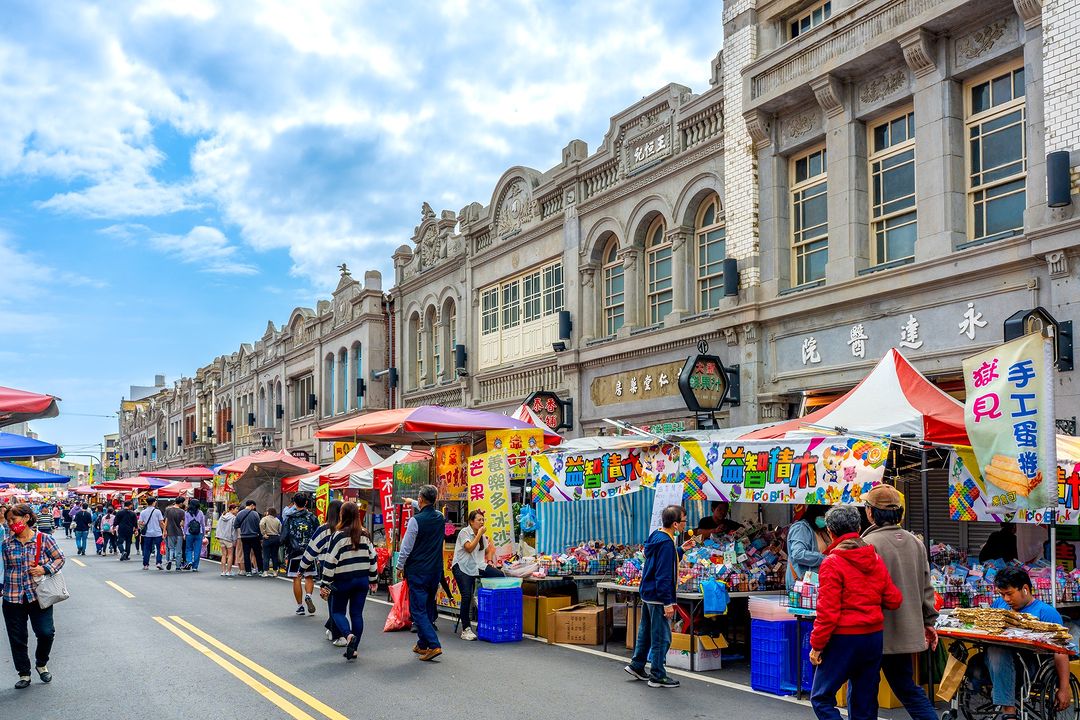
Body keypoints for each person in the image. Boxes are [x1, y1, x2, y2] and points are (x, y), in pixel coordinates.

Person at [809, 505, 902, 720]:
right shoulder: (874, 558)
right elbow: (894, 599)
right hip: (872, 638)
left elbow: (828, 613)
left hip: (844, 638)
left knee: (822, 698)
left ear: (831, 532)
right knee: (865, 700)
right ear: (859, 527)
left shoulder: (832, 562)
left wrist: (817, 646)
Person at [860, 485, 939, 720]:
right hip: (906, 629)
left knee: (864, 690)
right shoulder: (916, 543)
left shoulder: (867, 544)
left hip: (872, 631)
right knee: (906, 687)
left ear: (872, 513)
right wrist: (929, 621)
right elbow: (927, 588)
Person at [986, 567, 1071, 716]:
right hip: (995, 665)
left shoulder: (1046, 613)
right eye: (1002, 594)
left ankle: (1009, 712)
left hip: (1028, 668)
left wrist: (1064, 688)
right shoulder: (1000, 605)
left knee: (997, 651)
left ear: (1025, 589)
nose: (1005, 599)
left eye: (1009, 594)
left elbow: (1060, 651)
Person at [624, 504, 693, 688]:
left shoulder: (657, 536)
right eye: (684, 521)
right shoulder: (666, 543)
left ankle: (637, 665)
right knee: (662, 636)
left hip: (648, 593)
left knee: (645, 632)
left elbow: (660, 561)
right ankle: (657, 675)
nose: (686, 525)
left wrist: (681, 550)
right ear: (676, 524)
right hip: (658, 596)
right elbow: (663, 575)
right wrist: (668, 602)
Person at [2, 504, 64, 689]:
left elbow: (60, 558)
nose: (11, 524)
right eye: (9, 521)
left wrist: (45, 568)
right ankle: (24, 673)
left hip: (38, 596)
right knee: (17, 638)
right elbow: (2, 568)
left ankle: (41, 663)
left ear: (27, 518)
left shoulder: (44, 540)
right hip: (12, 597)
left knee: (46, 633)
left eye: (14, 519)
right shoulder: (6, 544)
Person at [320, 501, 378, 661]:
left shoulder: (338, 535)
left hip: (342, 581)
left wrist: (325, 582)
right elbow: (373, 558)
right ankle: (354, 649)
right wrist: (373, 579)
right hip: (361, 581)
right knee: (357, 614)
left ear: (342, 515)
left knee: (338, 612)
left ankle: (348, 635)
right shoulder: (365, 534)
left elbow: (330, 560)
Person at [397, 485, 446, 661]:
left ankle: (434, 644)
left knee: (417, 610)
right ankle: (422, 644)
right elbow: (427, 510)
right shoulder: (440, 517)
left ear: (421, 499)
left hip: (418, 570)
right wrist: (412, 502)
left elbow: (406, 547)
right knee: (426, 607)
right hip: (435, 571)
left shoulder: (415, 521)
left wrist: (399, 566)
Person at [451, 509, 505, 641]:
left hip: (477, 565)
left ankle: (488, 613)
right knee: (466, 595)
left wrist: (491, 560)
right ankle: (466, 629)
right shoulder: (465, 532)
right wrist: (479, 534)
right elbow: (469, 548)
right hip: (462, 566)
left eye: (483, 520)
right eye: (479, 520)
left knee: (500, 576)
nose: (482, 522)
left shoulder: (482, 536)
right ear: (471, 521)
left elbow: (488, 551)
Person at [300, 500, 345, 646]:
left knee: (333, 603)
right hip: (346, 570)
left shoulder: (324, 529)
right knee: (340, 603)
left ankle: (340, 634)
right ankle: (332, 628)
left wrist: (302, 568)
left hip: (327, 569)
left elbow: (311, 550)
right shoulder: (348, 529)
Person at [280, 494, 318, 615]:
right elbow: (318, 534)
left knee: (296, 577)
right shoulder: (312, 517)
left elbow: (284, 536)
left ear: (294, 503)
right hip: (309, 551)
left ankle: (300, 606)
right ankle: (308, 595)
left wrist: (285, 547)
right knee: (309, 576)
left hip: (294, 551)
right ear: (306, 503)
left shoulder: (289, 518)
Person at [787, 504, 831, 590]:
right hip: (802, 585)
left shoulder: (819, 530)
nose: (824, 520)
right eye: (823, 516)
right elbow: (798, 554)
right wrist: (824, 558)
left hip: (816, 584)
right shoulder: (801, 528)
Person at [234, 500, 264, 577]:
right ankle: (260, 570)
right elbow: (258, 526)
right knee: (257, 554)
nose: (254, 508)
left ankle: (248, 571)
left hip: (244, 536)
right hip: (254, 536)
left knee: (246, 554)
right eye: (254, 506)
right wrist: (260, 537)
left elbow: (236, 525)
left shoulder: (239, 514)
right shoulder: (255, 514)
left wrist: (243, 527)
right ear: (252, 505)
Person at [138, 500, 165, 570]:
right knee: (159, 548)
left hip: (147, 533)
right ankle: (159, 563)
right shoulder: (157, 511)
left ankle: (145, 565)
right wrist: (165, 530)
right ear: (153, 502)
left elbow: (140, 522)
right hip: (157, 532)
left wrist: (145, 524)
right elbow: (161, 522)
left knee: (147, 549)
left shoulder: (143, 512)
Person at [163, 498, 187, 571]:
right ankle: (178, 566)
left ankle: (170, 560)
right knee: (179, 550)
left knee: (171, 548)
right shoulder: (182, 511)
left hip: (170, 532)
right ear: (180, 503)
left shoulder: (168, 510)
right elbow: (182, 524)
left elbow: (166, 521)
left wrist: (164, 531)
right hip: (179, 532)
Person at [215, 503, 239, 576]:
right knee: (230, 555)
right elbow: (233, 530)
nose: (237, 510)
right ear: (232, 509)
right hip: (229, 538)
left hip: (221, 537)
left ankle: (223, 571)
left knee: (224, 555)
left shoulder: (223, 516)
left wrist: (218, 535)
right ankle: (228, 571)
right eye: (236, 509)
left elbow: (218, 526)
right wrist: (234, 539)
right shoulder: (233, 518)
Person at [184, 500, 207, 572]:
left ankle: (189, 561)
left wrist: (185, 533)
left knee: (188, 548)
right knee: (197, 550)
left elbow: (186, 524)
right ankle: (195, 567)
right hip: (199, 533)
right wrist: (203, 533)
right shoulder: (200, 513)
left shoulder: (187, 513)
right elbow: (203, 524)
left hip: (189, 533)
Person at [259, 507, 282, 578]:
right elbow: (280, 529)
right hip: (276, 538)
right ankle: (275, 571)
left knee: (266, 555)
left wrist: (263, 533)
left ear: (268, 512)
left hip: (267, 537)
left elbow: (261, 524)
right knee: (275, 555)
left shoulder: (265, 518)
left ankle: (265, 572)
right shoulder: (277, 520)